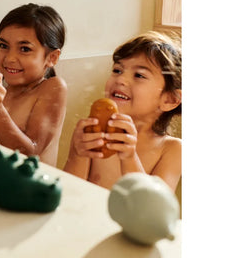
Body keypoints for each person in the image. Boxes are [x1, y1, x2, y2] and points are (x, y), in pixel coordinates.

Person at [63, 31, 181, 191]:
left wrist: (130, 158)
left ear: (169, 100)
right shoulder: (93, 133)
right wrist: (78, 154)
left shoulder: (172, 149)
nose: (120, 79)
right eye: (117, 70)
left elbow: (153, 205)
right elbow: (69, 192)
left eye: (139, 75)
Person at [0, 3, 67, 166]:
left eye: (25, 49)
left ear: (52, 58)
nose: (9, 58)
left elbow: (30, 155)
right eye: (4, 46)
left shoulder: (53, 88)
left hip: (32, 182)